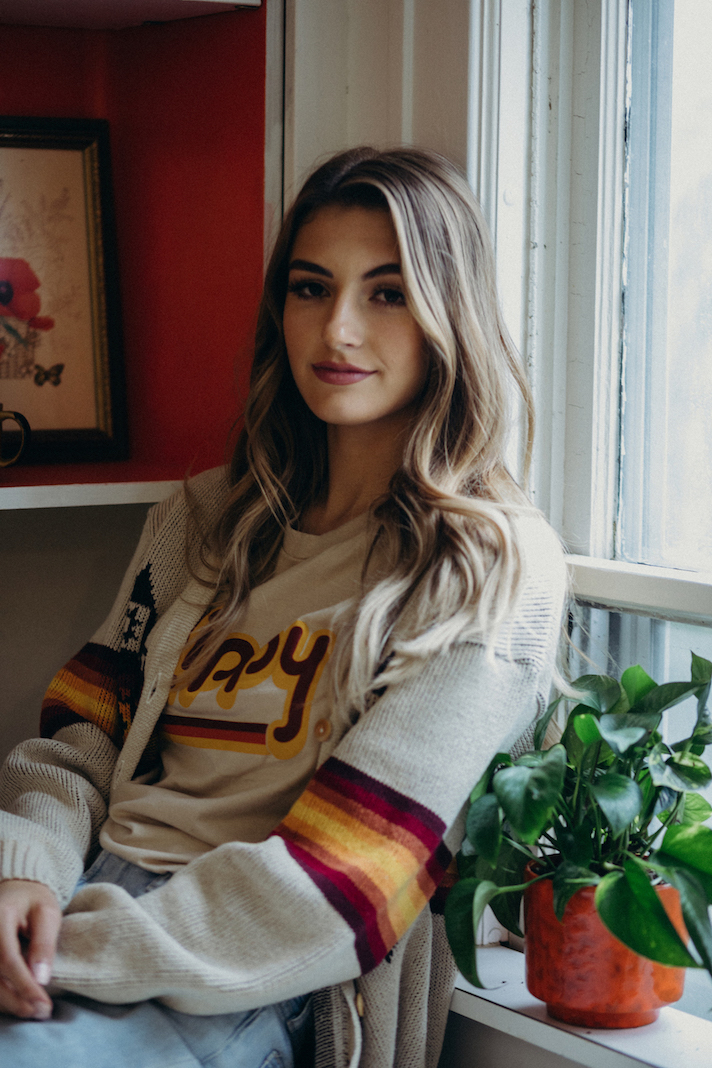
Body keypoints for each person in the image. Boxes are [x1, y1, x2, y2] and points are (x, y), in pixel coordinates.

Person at [0, 147, 566, 1068]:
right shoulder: (204, 519)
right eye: (311, 288)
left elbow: (344, 883)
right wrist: (24, 873)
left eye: (387, 293)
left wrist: (68, 946)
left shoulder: (487, 567)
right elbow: (80, 738)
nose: (337, 329)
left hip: (260, 980)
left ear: (447, 315)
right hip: (83, 904)